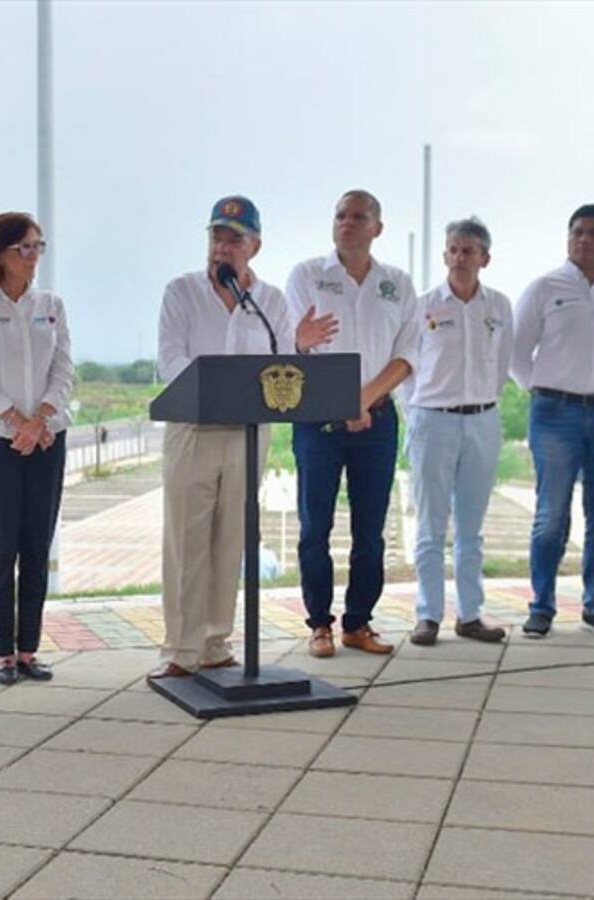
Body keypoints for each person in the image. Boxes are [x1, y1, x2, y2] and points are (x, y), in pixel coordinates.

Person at [151, 196, 338, 679]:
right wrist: (215, 388)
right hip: (193, 431)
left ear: (254, 246)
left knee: (230, 541)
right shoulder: (182, 292)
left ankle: (215, 643)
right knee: (186, 543)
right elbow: (170, 363)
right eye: (216, 236)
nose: (222, 246)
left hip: (248, 435)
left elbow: (282, 364)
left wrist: (299, 346)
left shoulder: (270, 300)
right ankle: (181, 650)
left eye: (234, 238)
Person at [285, 190, 419, 658]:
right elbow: (297, 346)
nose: (346, 222)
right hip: (318, 423)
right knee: (313, 526)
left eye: (358, 216)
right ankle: (319, 624)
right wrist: (300, 346)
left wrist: (363, 399)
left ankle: (358, 622)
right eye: (340, 214)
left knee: (371, 530)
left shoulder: (397, 283)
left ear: (376, 228)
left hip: (377, 421)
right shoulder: (307, 276)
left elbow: (408, 354)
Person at [0, 212, 72, 685]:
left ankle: (29, 650)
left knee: (36, 545)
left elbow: (63, 369)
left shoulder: (52, 305)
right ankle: (2, 651)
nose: (32, 257)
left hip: (47, 437)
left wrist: (41, 418)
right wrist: (15, 420)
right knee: (2, 547)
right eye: (23, 248)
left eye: (38, 247)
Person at [403, 218, 511, 646]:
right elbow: (407, 368)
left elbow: (502, 363)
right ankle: (428, 614)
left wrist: (484, 402)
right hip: (432, 419)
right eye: (453, 249)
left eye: (469, 251)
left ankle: (470, 614)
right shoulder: (424, 305)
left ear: (485, 258)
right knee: (431, 524)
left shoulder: (498, 306)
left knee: (471, 526)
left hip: (482, 420)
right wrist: (418, 410)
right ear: (445, 254)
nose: (460, 257)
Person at [511, 203, 594, 637]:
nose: (583, 240)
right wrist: (542, 388)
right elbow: (517, 350)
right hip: (555, 414)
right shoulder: (545, 287)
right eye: (577, 232)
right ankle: (542, 605)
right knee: (550, 514)